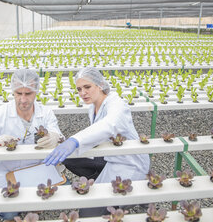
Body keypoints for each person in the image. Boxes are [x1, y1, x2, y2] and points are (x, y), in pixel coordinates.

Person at [43, 67, 150, 217]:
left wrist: (75, 140)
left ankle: (138, 191)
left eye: (87, 87)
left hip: (130, 162)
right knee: (69, 158)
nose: (82, 93)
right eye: (79, 89)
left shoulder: (116, 103)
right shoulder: (92, 106)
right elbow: (98, 134)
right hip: (111, 157)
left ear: (100, 85)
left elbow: (110, 124)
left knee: (88, 214)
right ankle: (102, 179)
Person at [0, 69, 62, 222]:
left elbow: (59, 135)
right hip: (7, 172)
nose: (23, 99)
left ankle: (34, 209)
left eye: (28, 93)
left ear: (36, 92)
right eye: (19, 94)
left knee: (44, 200)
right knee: (9, 214)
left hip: (36, 170)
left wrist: (55, 137)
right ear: (13, 92)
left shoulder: (45, 113)